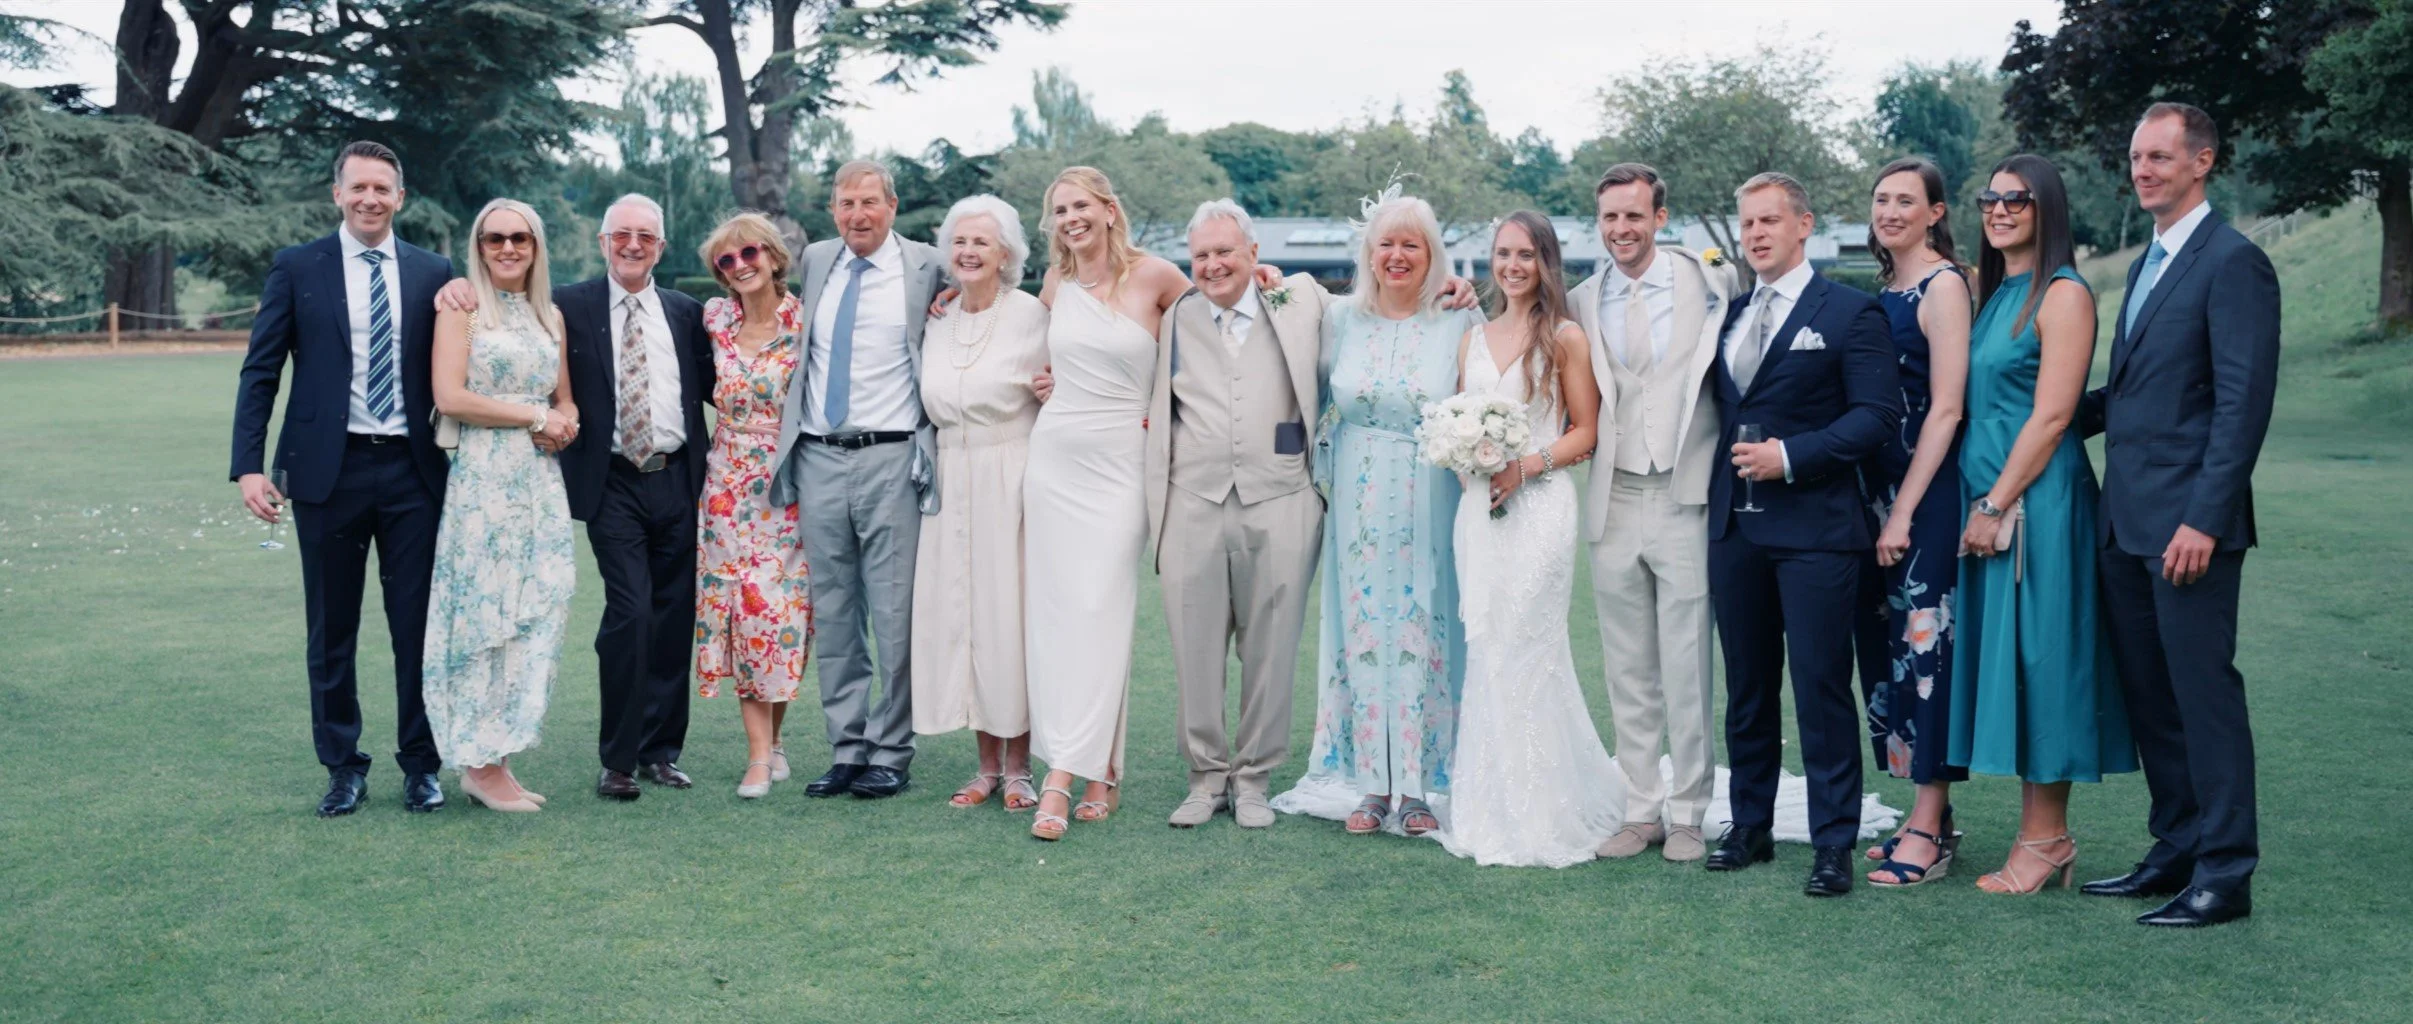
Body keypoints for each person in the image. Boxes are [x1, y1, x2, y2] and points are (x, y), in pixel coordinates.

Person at [441, 194, 716, 801]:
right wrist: (454, 288)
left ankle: (660, 752)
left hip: (678, 478)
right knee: (631, 614)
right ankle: (617, 758)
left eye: (646, 235)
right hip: (611, 480)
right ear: (603, 241)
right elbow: (502, 302)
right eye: (621, 234)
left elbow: (731, 383)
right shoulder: (566, 305)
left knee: (673, 618)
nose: (633, 245)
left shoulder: (688, 313)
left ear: (661, 247)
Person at [2077, 103, 2279, 928]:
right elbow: (2131, 395)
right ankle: (2175, 849)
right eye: (2135, 156)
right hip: (2124, 524)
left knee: (2202, 697)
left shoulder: (2233, 262)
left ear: (2203, 161)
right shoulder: (2146, 264)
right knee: (2152, 700)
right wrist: (2041, 418)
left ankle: (2224, 874)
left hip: (2188, 528)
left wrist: (2203, 516)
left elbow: (2240, 405)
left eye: (2160, 155)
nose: (2143, 168)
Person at [231, 141, 455, 817]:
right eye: (358, 188)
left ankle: (422, 764)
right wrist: (247, 464)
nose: (369, 199)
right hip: (328, 473)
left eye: (382, 189)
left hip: (414, 474)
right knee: (331, 628)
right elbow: (261, 369)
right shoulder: (299, 267)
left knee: (418, 626)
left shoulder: (432, 272)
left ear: (399, 198)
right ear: (337, 194)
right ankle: (342, 766)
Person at [1703, 172, 1902, 897]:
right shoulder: (1726, 313)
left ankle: (1831, 845)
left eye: (1768, 221)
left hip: (1817, 530)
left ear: (1802, 226)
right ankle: (1749, 826)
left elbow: (1875, 416)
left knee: (1820, 688)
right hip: (1733, 529)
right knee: (1747, 689)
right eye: (1746, 222)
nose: (1755, 233)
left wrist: (1790, 457)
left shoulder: (1850, 312)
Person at [1949, 153, 2139, 893]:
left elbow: (2055, 413)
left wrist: (1997, 502)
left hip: (2035, 501)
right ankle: (2041, 836)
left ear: (2045, 208)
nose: (1998, 210)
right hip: (1988, 493)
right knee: (2013, 658)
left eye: (2015, 200)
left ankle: (2046, 839)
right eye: (1988, 198)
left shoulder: (2061, 295)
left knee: (2043, 660)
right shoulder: (1996, 294)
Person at [1271, 191, 1477, 840]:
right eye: (1384, 243)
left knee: (1426, 625)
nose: (1396, 256)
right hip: (1356, 502)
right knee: (1359, 629)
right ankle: (1370, 782)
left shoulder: (1457, 321)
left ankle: (1420, 785)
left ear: (1431, 254)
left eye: (1410, 244)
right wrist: (1263, 278)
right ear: (1367, 252)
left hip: (1431, 496)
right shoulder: (1339, 320)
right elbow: (1276, 304)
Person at [1431, 211, 1618, 867]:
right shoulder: (1472, 338)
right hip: (1477, 514)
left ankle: (1540, 812)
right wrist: (1464, 460)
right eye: (1501, 254)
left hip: (1538, 510)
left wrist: (1524, 466)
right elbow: (1457, 419)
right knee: (1486, 647)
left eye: (1524, 255)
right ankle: (1489, 807)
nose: (1511, 266)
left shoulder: (1564, 336)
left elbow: (1584, 430)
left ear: (1545, 261)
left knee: (1526, 648)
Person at [1022, 166, 1199, 841]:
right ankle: (1099, 772)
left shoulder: (1157, 277)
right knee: (1061, 616)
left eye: (1081, 206)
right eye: (1060, 209)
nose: (1070, 219)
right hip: (1055, 459)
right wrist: (1045, 380)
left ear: (1108, 209)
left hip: (1123, 462)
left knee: (1101, 608)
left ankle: (1061, 775)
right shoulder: (1055, 284)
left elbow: (1215, 329)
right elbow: (1039, 359)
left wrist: (1269, 284)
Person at [1570, 163, 1737, 863]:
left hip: (1684, 493)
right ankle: (1640, 807)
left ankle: (1689, 810)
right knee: (1627, 667)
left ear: (1658, 218)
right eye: (1609, 218)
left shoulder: (1712, 280)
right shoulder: (1579, 300)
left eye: (1633, 216)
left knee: (1686, 662)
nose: (1620, 230)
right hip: (1613, 495)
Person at [1146, 200, 1331, 830]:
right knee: (1193, 648)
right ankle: (1205, 779)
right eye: (1200, 255)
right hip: (1192, 499)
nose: (1213, 264)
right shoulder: (1176, 317)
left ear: (1254, 253)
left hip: (1281, 497)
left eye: (1225, 251)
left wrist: (1456, 292)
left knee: (1272, 649)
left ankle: (1253, 779)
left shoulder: (1299, 300)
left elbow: (1375, 308)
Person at [769, 160, 944, 801]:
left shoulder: (928, 265)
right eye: (846, 203)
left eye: (869, 202)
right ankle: (847, 749)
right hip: (816, 457)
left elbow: (998, 280)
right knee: (836, 615)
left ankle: (891, 751)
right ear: (833, 210)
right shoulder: (817, 260)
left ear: (891, 207)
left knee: (895, 612)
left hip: (892, 458)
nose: (857, 215)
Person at [421, 198, 579, 813]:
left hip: (539, 483)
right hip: (485, 483)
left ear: (536, 247)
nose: (507, 248)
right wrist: (535, 415)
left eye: (519, 238)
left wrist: (562, 420)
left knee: (534, 611)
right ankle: (476, 763)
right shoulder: (461, 311)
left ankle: (500, 756)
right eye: (494, 239)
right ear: (479, 246)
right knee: (486, 612)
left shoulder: (551, 317)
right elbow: (450, 395)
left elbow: (567, 400)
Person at [911, 196, 1049, 813]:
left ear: (1007, 255)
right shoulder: (936, 318)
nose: (968, 252)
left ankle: (1020, 768)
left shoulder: (1032, 314)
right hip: (949, 475)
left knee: (1007, 618)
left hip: (1011, 473)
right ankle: (985, 766)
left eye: (981, 243)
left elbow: (1065, 382)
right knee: (961, 618)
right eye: (959, 242)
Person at [1858, 158, 1975, 887]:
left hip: (1923, 501)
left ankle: (1929, 826)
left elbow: (1946, 407)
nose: (1889, 210)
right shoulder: (1884, 290)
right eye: (1880, 199)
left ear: (1934, 212)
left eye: (1905, 200)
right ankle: (1923, 816)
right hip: (1875, 500)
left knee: (1926, 653)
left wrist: (1902, 510)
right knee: (1889, 654)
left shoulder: (1944, 286)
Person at [694, 213, 814, 800]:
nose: (740, 266)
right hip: (725, 482)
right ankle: (759, 757)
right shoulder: (714, 319)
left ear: (771, 255)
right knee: (742, 613)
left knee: (782, 614)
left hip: (787, 481)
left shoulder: (805, 318)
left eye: (748, 254)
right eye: (726, 261)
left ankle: (777, 743)